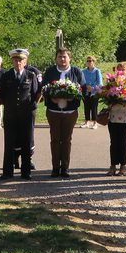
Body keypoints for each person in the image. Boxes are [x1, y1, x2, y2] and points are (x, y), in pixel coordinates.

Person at [0, 48, 41, 180]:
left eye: (21, 60)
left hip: (26, 114)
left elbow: (35, 93)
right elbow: (3, 95)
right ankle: (7, 171)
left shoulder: (30, 75)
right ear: (12, 61)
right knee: (9, 142)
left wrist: (32, 108)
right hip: (11, 114)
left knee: (26, 142)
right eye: (15, 60)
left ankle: (26, 171)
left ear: (25, 61)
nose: (18, 62)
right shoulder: (6, 76)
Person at [42, 48, 85, 177]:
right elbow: (44, 89)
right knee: (55, 139)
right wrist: (51, 97)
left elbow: (82, 89)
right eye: (60, 56)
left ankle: (65, 167)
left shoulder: (76, 71)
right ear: (56, 58)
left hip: (70, 112)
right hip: (53, 111)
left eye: (64, 56)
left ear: (69, 58)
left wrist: (72, 97)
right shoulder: (50, 71)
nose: (62, 59)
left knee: (66, 140)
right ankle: (55, 167)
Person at [105, 63, 126, 176]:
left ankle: (123, 166)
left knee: (123, 142)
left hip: (125, 118)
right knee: (113, 142)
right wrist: (110, 97)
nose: (121, 71)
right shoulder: (111, 84)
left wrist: (124, 97)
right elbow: (106, 96)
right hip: (113, 117)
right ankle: (112, 166)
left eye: (124, 69)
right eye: (119, 69)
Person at [81, 56, 102, 129]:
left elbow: (100, 83)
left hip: (94, 92)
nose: (89, 62)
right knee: (86, 107)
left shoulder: (97, 71)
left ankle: (95, 123)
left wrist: (93, 88)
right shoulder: (83, 71)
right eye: (88, 61)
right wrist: (86, 87)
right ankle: (86, 122)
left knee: (94, 107)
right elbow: (81, 82)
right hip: (86, 92)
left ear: (94, 62)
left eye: (91, 61)